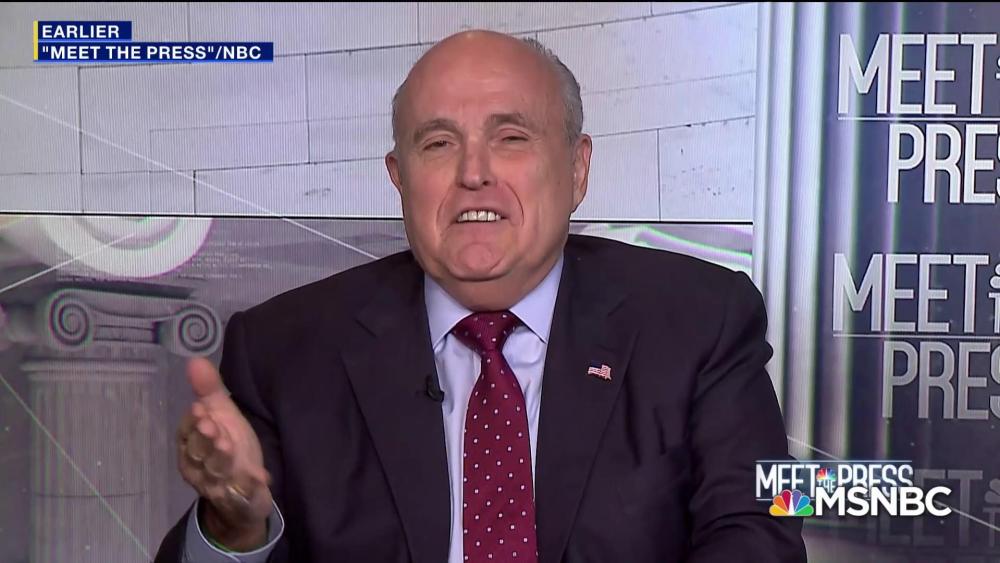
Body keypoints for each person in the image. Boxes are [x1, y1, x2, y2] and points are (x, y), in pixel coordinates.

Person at [155, 30, 805, 563]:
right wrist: (234, 531)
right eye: (438, 144)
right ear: (399, 177)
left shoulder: (704, 319)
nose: (473, 173)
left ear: (577, 168)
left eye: (511, 137)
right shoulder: (283, 350)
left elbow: (765, 527)